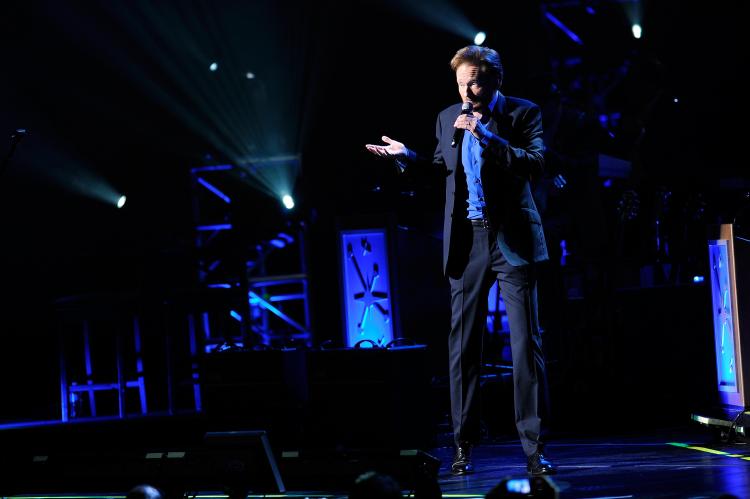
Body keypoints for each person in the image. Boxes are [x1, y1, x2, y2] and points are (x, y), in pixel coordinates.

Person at [366, 45, 554, 476]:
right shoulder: (446, 116)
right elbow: (442, 170)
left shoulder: (523, 114)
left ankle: (534, 449)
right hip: (467, 243)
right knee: (463, 348)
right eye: (461, 83)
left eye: (476, 81)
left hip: (513, 243)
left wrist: (486, 135)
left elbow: (534, 164)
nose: (468, 91)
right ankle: (463, 446)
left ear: (494, 81)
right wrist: (407, 158)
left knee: (526, 347)